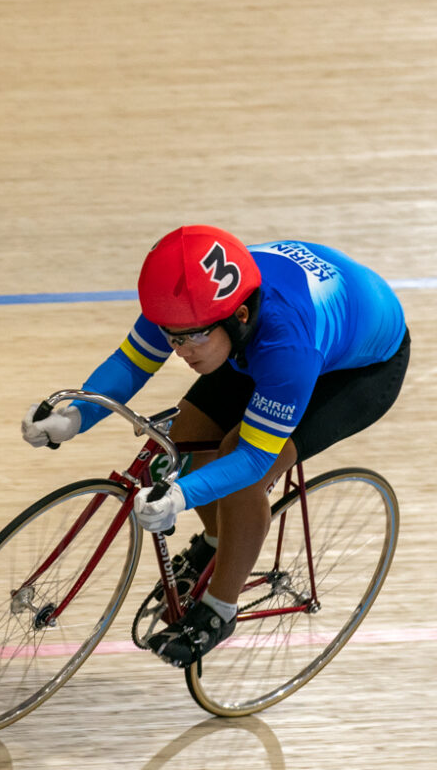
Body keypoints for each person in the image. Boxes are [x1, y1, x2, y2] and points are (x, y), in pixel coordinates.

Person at [22, 226, 409, 667]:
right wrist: (72, 417)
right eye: (172, 335)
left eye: (191, 337)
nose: (180, 350)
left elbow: (253, 458)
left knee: (240, 469)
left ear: (239, 316)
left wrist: (181, 497)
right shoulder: (184, 299)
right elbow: (133, 360)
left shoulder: (285, 344)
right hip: (263, 335)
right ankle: (218, 538)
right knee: (181, 443)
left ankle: (219, 610)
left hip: (356, 369)